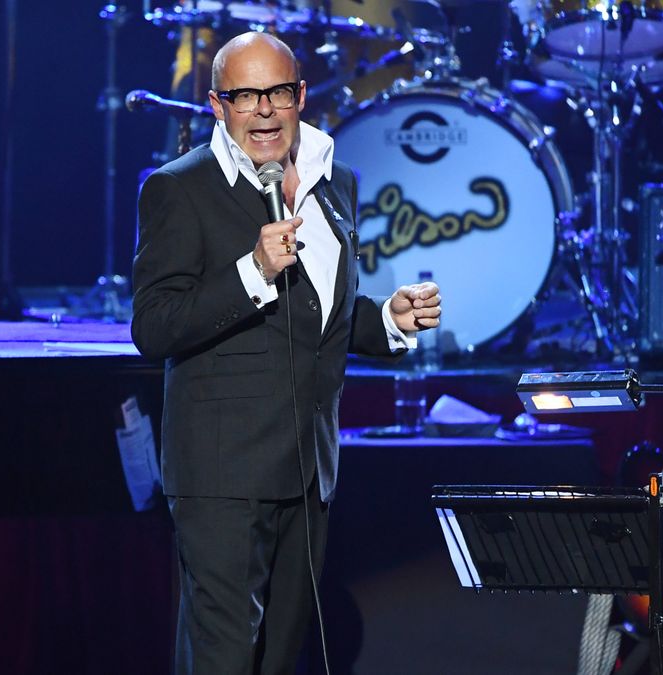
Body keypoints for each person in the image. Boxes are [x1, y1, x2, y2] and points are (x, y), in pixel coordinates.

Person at [130, 32, 442, 674]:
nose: (264, 110)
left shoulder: (337, 180)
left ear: (300, 96)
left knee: (281, 661)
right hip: (223, 476)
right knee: (224, 660)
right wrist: (253, 270)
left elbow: (317, 309)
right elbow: (153, 326)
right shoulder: (180, 189)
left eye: (276, 92)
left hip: (308, 469)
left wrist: (386, 318)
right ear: (218, 106)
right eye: (245, 96)